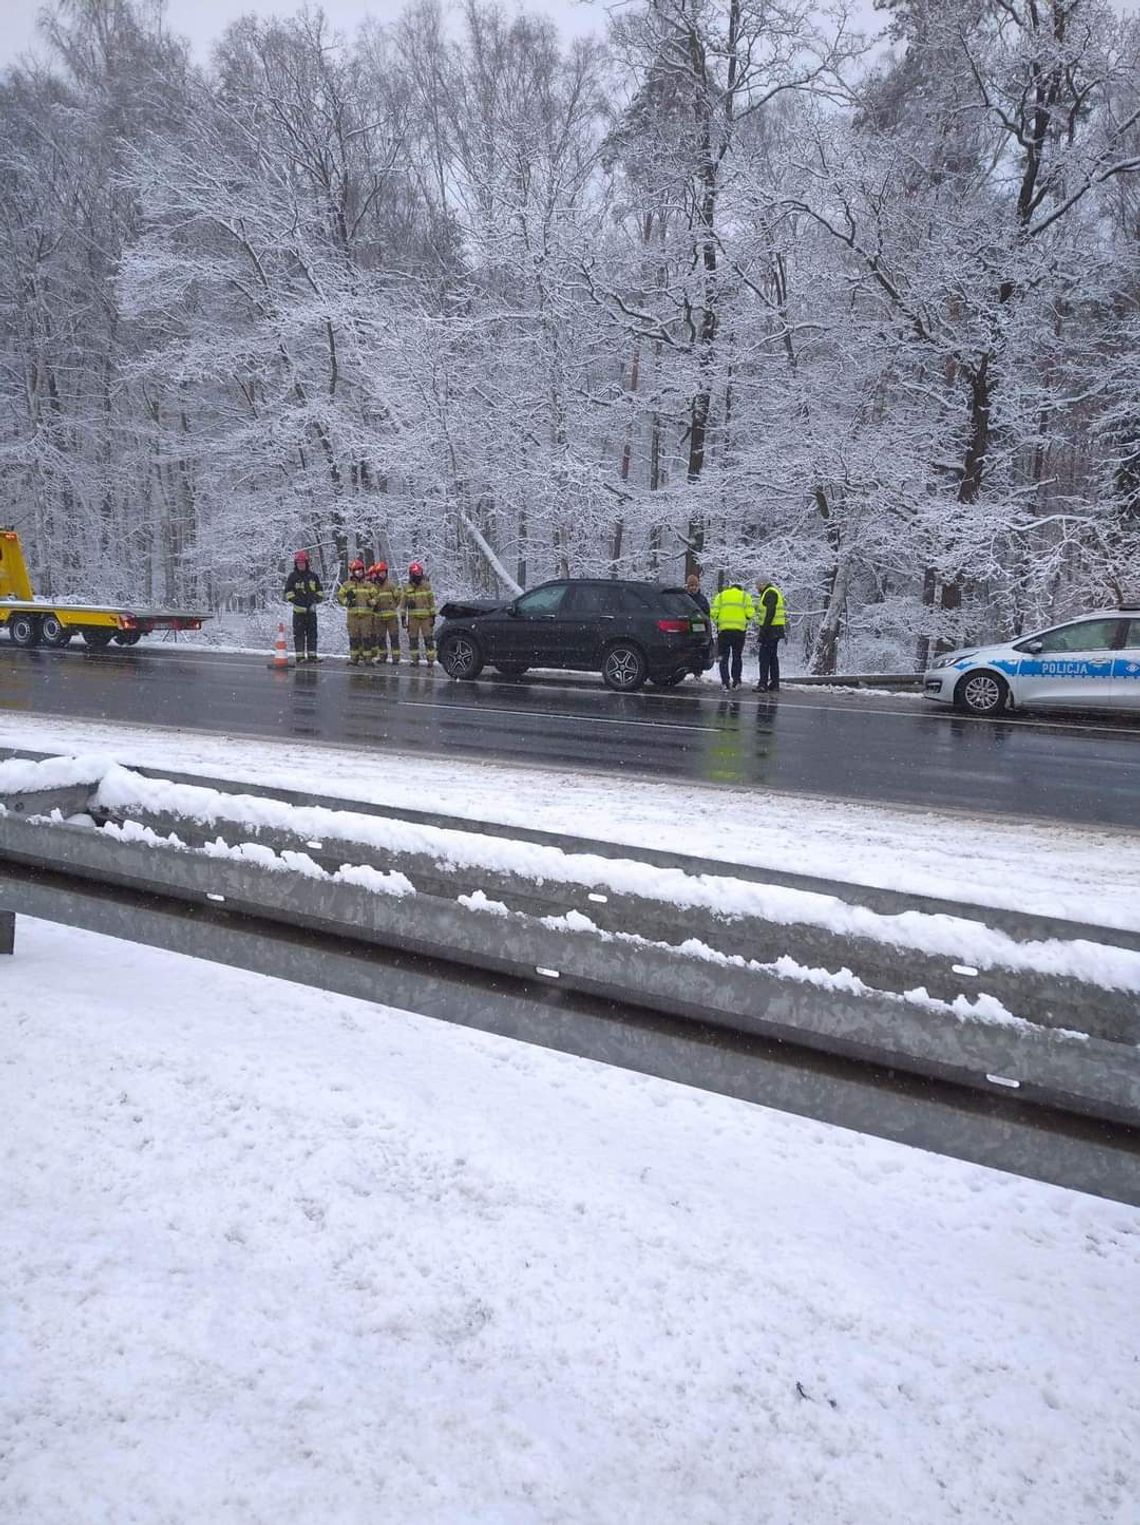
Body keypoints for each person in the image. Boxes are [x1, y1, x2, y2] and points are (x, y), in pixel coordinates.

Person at [709, 579, 755, 690]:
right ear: (740, 589)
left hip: (724, 631)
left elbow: (713, 613)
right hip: (739, 632)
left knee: (723, 658)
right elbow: (750, 614)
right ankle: (736, 681)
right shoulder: (745, 596)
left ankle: (725, 682)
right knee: (737, 656)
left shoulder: (721, 596)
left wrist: (719, 622)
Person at [283, 550, 323, 663]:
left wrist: (317, 599)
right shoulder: (292, 577)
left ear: (306, 563)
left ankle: (312, 656)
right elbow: (288, 592)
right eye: (298, 563)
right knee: (299, 635)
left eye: (302, 563)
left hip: (311, 612)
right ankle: (300, 657)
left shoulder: (313, 576)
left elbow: (320, 590)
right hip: (299, 612)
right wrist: (297, 600)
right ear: (296, 564)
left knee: (312, 634)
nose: (301, 565)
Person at [337, 557, 374, 665]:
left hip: (366, 617)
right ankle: (354, 658)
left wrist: (372, 602)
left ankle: (368, 659)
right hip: (352, 616)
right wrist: (347, 602)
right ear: (353, 572)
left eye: (361, 570)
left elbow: (376, 597)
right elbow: (340, 597)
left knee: (366, 638)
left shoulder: (368, 585)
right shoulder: (347, 585)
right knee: (354, 638)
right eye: (357, 571)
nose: (359, 573)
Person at [754, 577, 787, 692]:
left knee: (764, 658)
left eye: (757, 585)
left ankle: (763, 684)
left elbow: (770, 611)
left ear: (762, 584)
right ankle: (774, 683)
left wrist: (764, 629)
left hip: (770, 631)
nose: (756, 588)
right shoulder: (772, 591)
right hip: (775, 630)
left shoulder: (770, 593)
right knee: (772, 658)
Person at [402, 561, 437, 667]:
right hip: (413, 619)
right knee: (413, 639)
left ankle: (431, 660)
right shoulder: (407, 588)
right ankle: (414, 660)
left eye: (419, 573)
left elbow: (431, 602)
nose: (417, 576)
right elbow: (403, 604)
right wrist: (403, 617)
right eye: (415, 574)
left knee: (428, 639)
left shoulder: (426, 586)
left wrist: (433, 616)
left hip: (426, 618)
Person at [368, 562, 401, 664]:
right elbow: (370, 599)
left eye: (383, 573)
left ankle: (396, 658)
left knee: (394, 637)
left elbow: (398, 597)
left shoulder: (391, 585)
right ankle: (383, 656)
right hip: (379, 617)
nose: (382, 575)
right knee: (381, 638)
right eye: (380, 573)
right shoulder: (374, 587)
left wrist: (393, 606)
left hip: (391, 617)